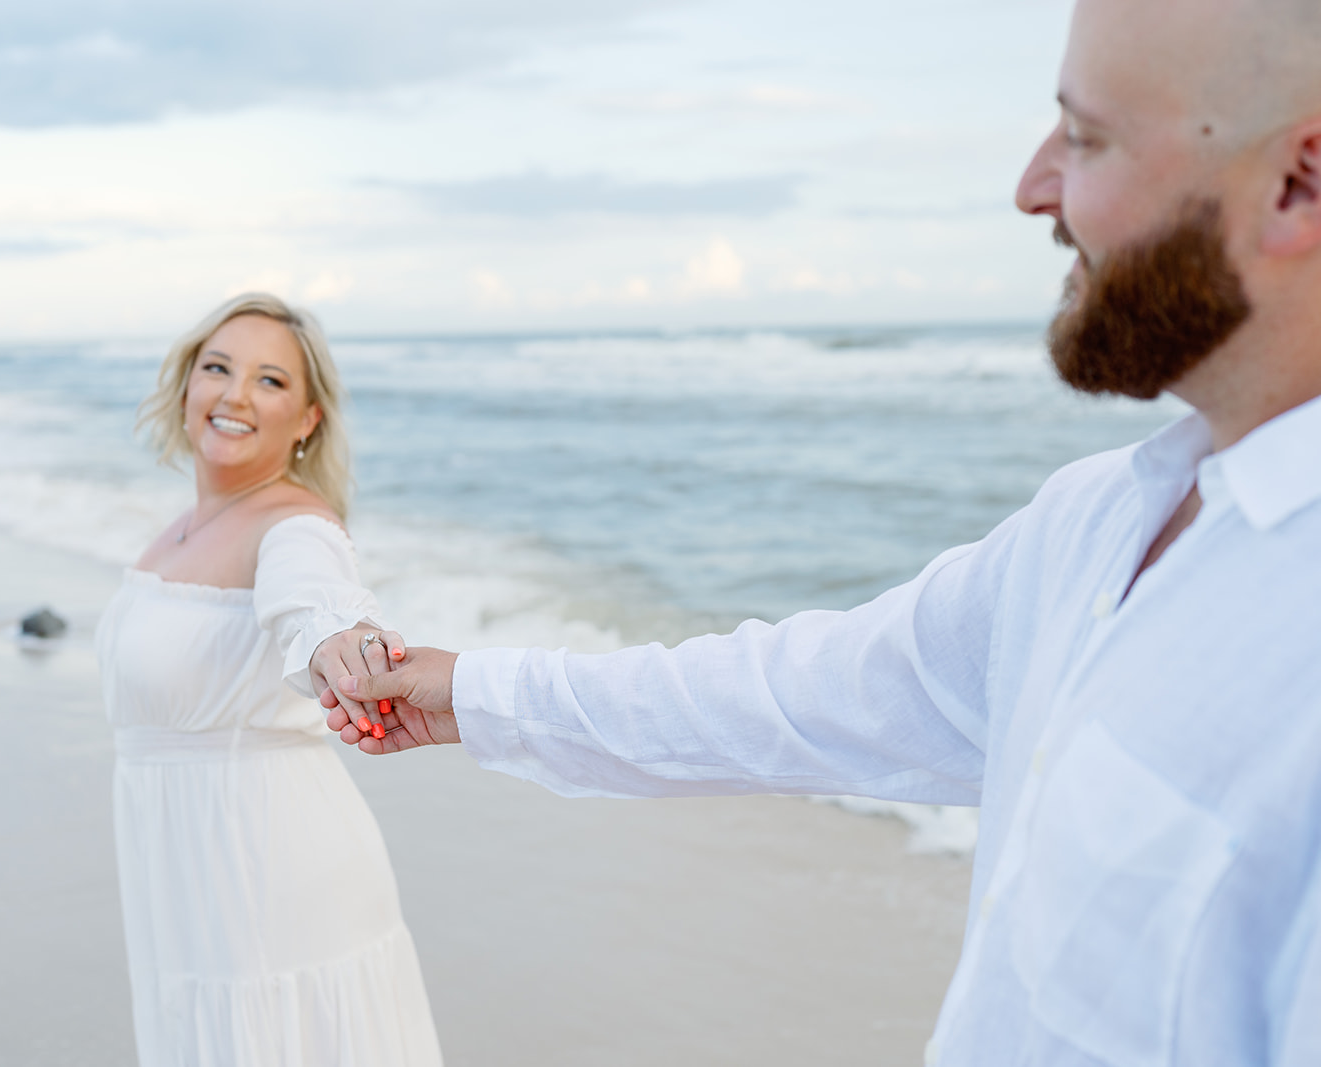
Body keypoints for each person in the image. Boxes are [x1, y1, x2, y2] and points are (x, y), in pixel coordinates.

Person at [326, 1, 1321, 1063]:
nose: (1032, 185)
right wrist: (472, 692)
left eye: (1084, 137)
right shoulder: (1098, 518)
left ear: (1296, 184)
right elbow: (797, 692)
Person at [94, 293, 441, 1066]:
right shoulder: (180, 529)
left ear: (308, 418)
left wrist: (341, 642)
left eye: (271, 380)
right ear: (187, 382)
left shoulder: (296, 524)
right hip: (178, 864)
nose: (237, 394)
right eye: (218, 367)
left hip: (262, 866)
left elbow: (314, 598)